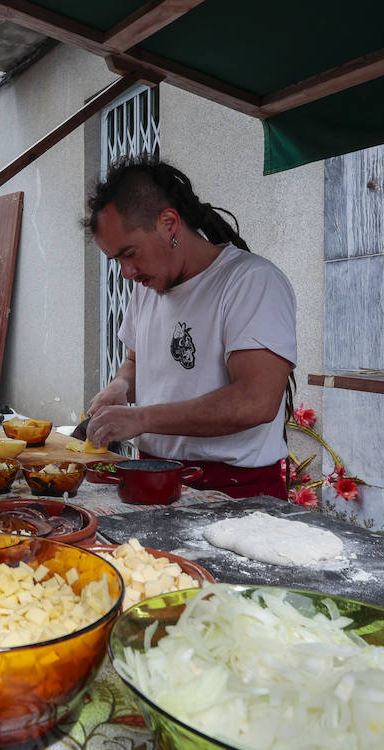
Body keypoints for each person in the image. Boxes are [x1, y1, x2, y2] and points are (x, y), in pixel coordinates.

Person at [84, 159, 296, 499]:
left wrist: (143, 419)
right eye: (117, 260)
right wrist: (122, 386)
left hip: (237, 491)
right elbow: (138, 362)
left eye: (130, 253)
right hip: (151, 477)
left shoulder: (251, 281)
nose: (126, 272)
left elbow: (255, 401)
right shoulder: (146, 289)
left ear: (168, 223)